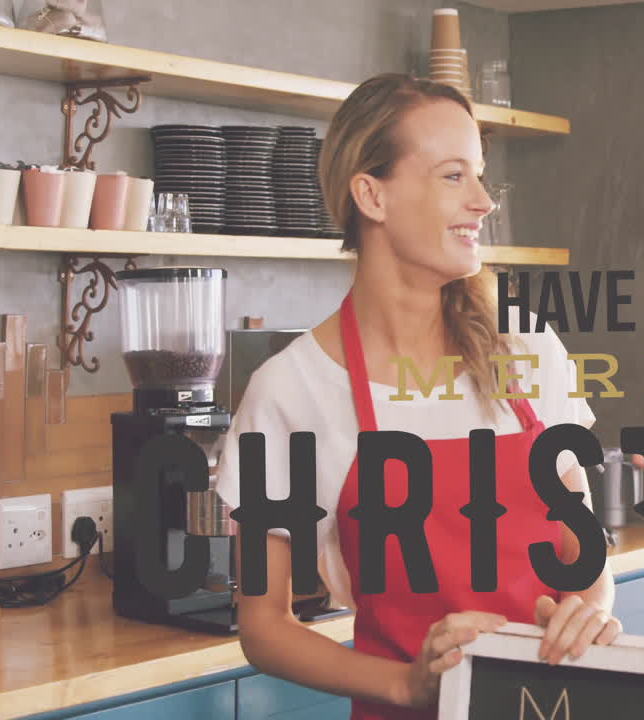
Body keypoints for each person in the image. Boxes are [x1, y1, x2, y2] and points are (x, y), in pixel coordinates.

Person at [215, 74, 621, 720]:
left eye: (482, 175)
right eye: (454, 176)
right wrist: (408, 684)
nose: (484, 201)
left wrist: (590, 614)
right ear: (371, 194)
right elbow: (263, 626)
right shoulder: (292, 394)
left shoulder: (528, 351)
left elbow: (585, 555)